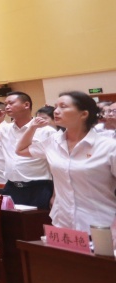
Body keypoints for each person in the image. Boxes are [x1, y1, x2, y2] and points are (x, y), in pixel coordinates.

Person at [16, 91, 116, 232]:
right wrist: (32, 127)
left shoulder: (108, 146)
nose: (56, 111)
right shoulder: (53, 142)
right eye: (56, 106)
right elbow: (20, 150)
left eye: (63, 107)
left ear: (84, 114)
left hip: (100, 224)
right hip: (62, 220)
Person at [0, 92, 53, 209]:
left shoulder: (46, 130)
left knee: (37, 219)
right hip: (11, 186)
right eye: (5, 104)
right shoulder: (5, 129)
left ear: (26, 105)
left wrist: (55, 195)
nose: (7, 107)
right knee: (10, 219)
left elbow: (55, 164)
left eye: (11, 103)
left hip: (38, 187)